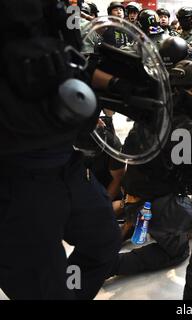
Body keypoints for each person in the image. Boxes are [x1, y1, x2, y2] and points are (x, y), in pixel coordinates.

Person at [0, 0, 121, 300]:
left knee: (103, 241)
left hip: (67, 162)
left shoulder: (59, 9)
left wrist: (118, 85)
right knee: (41, 284)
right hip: (15, 175)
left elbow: (73, 61)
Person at [109, 60, 192, 300]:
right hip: (149, 204)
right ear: (177, 91)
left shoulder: (162, 113)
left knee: (175, 254)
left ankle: (109, 266)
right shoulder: (171, 123)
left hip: (147, 199)